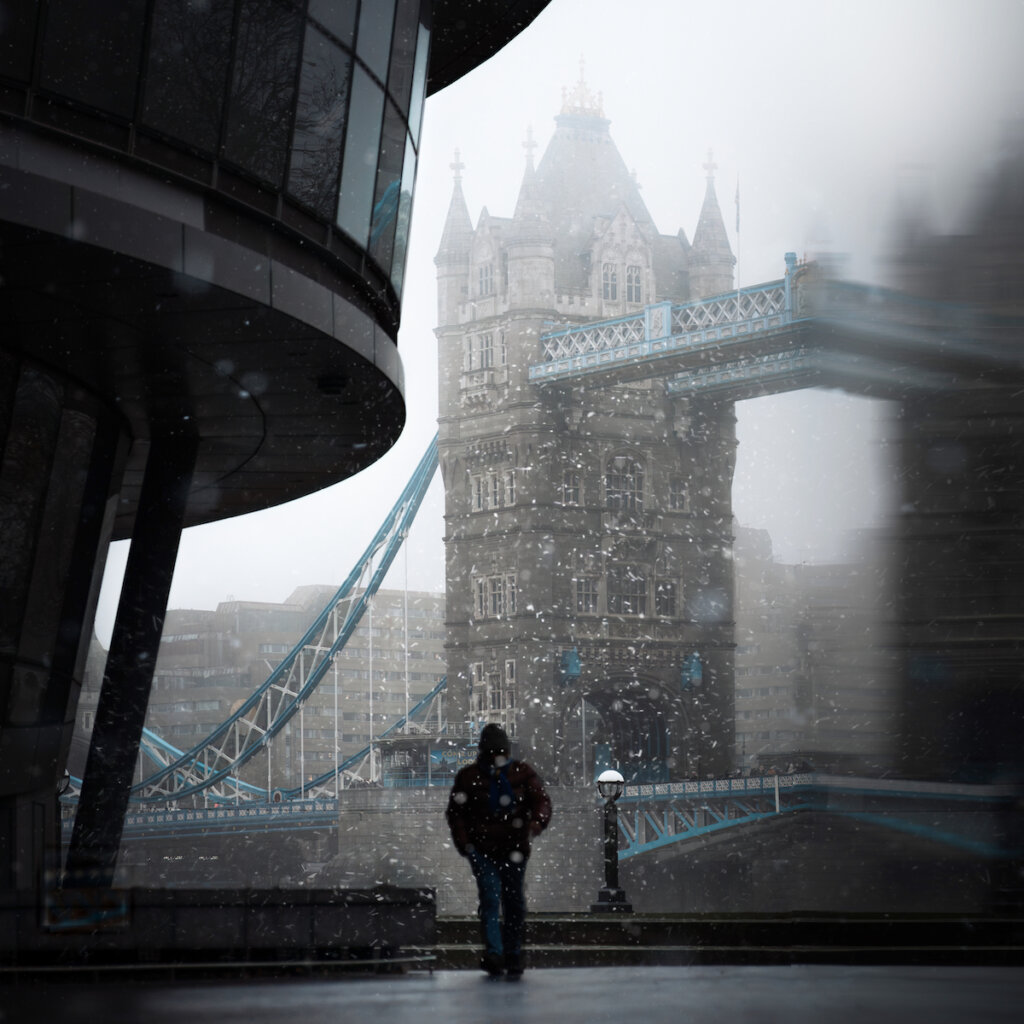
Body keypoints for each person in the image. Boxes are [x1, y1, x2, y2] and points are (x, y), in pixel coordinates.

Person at [445, 723, 552, 977]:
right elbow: (456, 813)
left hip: (509, 847)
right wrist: (468, 846)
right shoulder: (481, 776)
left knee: (506, 901)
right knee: (497, 898)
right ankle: (499, 953)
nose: (496, 756)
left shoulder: (477, 775)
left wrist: (536, 823)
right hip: (488, 850)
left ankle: (507, 953)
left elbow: (541, 802)